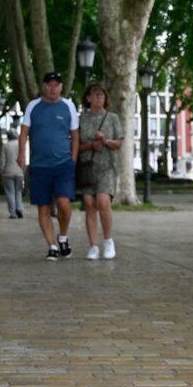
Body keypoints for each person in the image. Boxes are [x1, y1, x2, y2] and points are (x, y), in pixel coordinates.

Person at [18, 71, 79, 260]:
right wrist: (22, 154)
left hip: (63, 164)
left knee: (63, 203)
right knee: (43, 207)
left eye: (56, 84)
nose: (53, 88)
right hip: (39, 165)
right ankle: (51, 245)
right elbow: (24, 133)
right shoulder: (33, 107)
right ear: (43, 86)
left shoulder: (68, 106)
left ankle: (63, 236)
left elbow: (75, 135)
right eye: (49, 84)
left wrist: (73, 158)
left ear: (61, 87)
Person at [77, 83, 125, 260]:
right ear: (88, 98)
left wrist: (105, 141)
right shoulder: (81, 119)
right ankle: (93, 246)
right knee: (89, 204)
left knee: (103, 202)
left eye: (101, 95)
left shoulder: (112, 118)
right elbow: (75, 145)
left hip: (107, 167)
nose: (98, 98)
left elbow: (119, 143)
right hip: (87, 168)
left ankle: (108, 241)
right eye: (95, 95)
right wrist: (90, 145)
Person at [1, 151, 25, 219]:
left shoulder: (6, 146)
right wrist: (23, 170)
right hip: (19, 172)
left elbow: (2, 160)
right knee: (18, 192)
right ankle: (19, 209)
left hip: (8, 172)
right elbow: (23, 158)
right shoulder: (20, 145)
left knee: (10, 192)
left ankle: (13, 213)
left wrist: (2, 170)